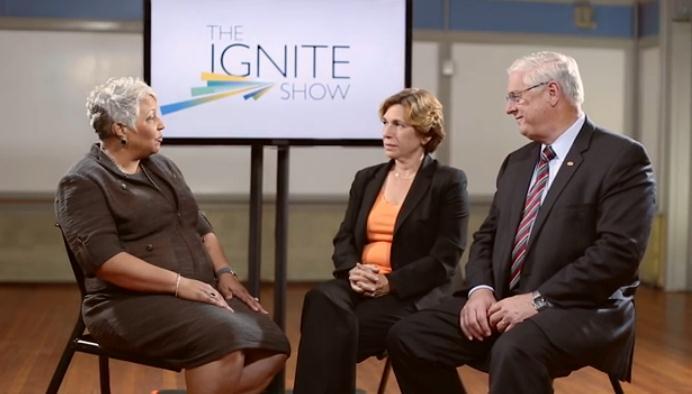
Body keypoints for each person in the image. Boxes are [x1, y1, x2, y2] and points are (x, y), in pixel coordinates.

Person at [386, 51, 656, 393]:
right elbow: (487, 237)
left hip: (581, 307)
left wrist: (538, 299)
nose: (509, 108)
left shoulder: (621, 158)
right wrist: (480, 291)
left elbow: (617, 255)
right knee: (409, 336)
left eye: (516, 97)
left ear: (552, 93)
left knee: (515, 349)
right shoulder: (517, 163)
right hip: (503, 299)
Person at [55, 77, 290, 394]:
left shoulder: (162, 166)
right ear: (121, 129)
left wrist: (224, 272)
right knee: (224, 341)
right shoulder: (82, 183)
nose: (162, 124)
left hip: (197, 291)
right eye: (150, 117)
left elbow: (200, 225)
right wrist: (180, 285)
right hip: (125, 303)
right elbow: (107, 262)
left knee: (272, 342)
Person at [292, 88, 469, 393]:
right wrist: (355, 271)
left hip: (411, 289)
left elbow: (446, 257)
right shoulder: (367, 178)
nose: (387, 132)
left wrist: (391, 283)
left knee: (337, 332)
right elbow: (345, 238)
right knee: (320, 300)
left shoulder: (448, 181)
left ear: (426, 134)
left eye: (399, 125)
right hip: (362, 280)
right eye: (385, 123)